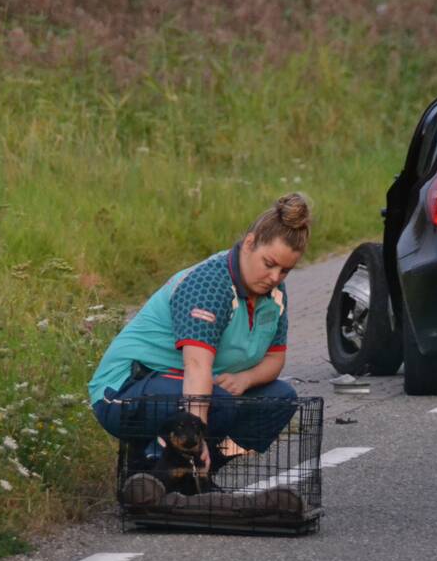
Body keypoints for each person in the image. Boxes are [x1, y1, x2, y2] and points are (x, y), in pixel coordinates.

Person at [88, 192, 311, 479]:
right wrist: (197, 430)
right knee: (219, 402)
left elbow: (275, 358)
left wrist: (245, 379)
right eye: (269, 264)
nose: (274, 277)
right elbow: (196, 367)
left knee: (280, 398)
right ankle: (151, 467)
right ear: (250, 243)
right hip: (125, 391)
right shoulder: (208, 283)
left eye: (285, 271)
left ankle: (198, 473)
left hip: (193, 388)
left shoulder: (275, 294)